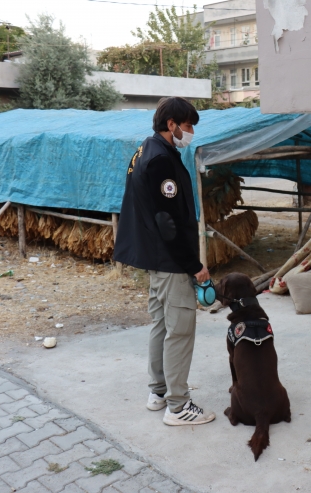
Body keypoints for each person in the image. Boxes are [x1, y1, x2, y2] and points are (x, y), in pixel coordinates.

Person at [114, 97, 215, 426]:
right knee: (180, 330)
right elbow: (167, 221)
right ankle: (178, 406)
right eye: (188, 126)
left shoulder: (146, 150)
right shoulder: (160, 159)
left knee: (161, 325)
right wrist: (194, 265)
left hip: (155, 258)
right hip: (170, 260)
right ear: (171, 124)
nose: (191, 132)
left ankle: (158, 392)